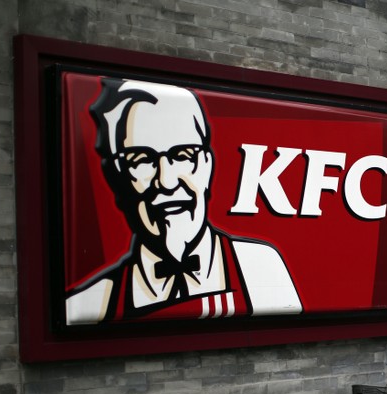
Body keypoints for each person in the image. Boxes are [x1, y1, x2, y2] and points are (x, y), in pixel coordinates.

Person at [66, 78, 302, 324]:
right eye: (142, 160)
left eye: (182, 155)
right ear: (118, 176)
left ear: (207, 166)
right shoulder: (92, 303)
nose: (167, 182)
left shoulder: (260, 269)